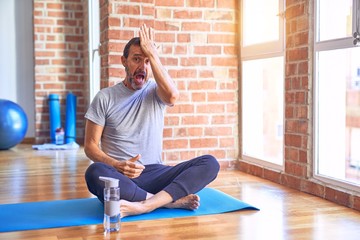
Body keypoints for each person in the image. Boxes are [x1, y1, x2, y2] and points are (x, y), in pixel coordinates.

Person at [84, 24, 220, 217]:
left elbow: (173, 96)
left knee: (210, 163)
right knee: (94, 172)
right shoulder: (105, 97)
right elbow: (90, 146)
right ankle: (168, 202)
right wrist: (117, 165)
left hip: (156, 173)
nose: (142, 66)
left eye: (147, 61)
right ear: (124, 61)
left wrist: (153, 54)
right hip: (121, 175)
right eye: (137, 59)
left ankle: (146, 204)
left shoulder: (156, 92)